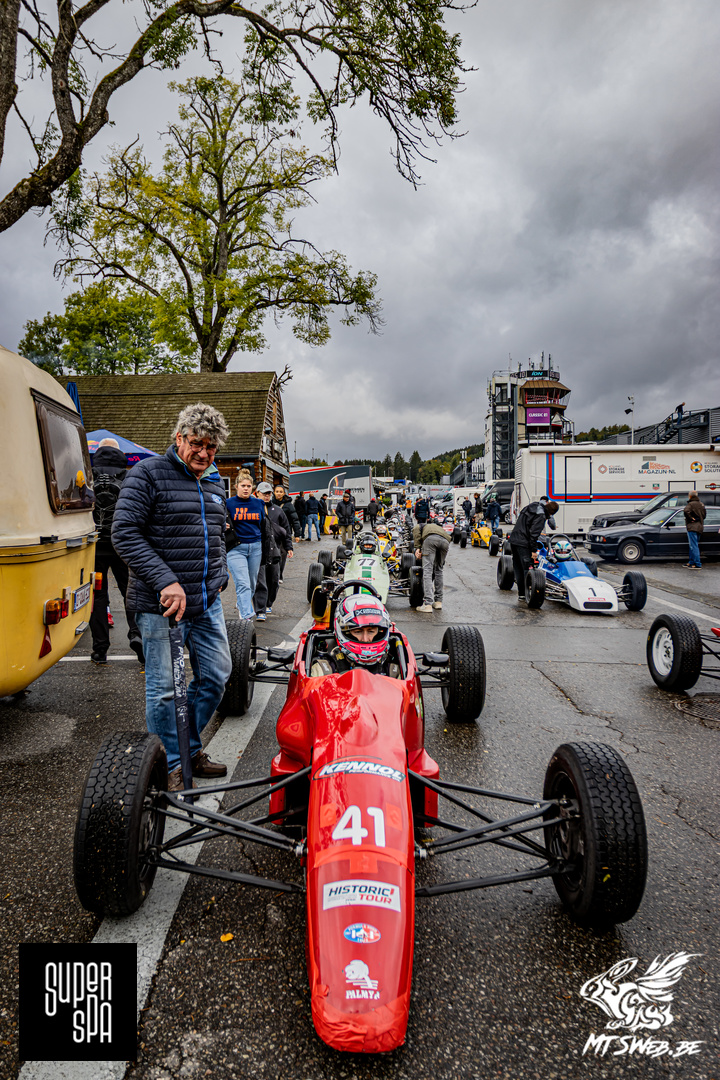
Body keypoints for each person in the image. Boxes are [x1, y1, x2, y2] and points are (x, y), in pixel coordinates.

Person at [112, 402, 233, 792]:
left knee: (216, 676)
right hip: (160, 605)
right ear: (179, 438)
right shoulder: (148, 474)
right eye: (197, 443)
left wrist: (220, 574)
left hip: (205, 602)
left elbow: (217, 536)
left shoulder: (213, 483)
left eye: (211, 446)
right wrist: (166, 581)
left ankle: (186, 749)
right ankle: (172, 765)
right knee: (165, 690)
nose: (203, 452)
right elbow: (124, 533)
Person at [88, 438, 144, 666]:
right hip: (122, 544)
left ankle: (100, 649)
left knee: (98, 596)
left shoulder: (88, 475)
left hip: (95, 546)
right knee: (130, 591)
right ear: (119, 453)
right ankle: (137, 635)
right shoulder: (129, 476)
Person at [310, 594, 393, 676]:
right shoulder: (325, 669)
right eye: (358, 632)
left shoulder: (392, 667)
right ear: (345, 631)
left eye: (371, 631)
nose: (365, 639)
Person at [226, 469, 268, 619]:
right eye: (243, 486)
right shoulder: (228, 504)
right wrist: (223, 525)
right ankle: (246, 616)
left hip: (255, 547)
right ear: (236, 486)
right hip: (235, 548)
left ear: (252, 488)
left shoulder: (259, 503)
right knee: (242, 583)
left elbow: (264, 525)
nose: (245, 489)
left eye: (249, 486)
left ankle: (242, 604)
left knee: (251, 583)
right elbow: (217, 520)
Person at [254, 481, 293, 619]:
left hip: (275, 548)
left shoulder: (277, 510)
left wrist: (289, 547)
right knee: (260, 580)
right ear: (257, 493)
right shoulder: (252, 508)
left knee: (274, 578)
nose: (267, 496)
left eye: (269, 493)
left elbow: (287, 530)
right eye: (264, 493)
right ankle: (260, 608)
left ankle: (269, 602)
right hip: (257, 548)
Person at [507, 499, 559, 601]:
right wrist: (534, 551)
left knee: (518, 568)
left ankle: (522, 594)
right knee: (527, 569)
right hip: (523, 543)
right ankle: (528, 594)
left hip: (514, 540)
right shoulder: (541, 515)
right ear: (551, 513)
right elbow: (534, 534)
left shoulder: (531, 507)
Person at [413, 518, 450, 612]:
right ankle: (438, 602)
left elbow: (416, 533)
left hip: (430, 540)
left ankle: (427, 604)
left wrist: (418, 548)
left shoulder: (419, 526)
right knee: (439, 570)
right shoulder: (436, 527)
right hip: (445, 541)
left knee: (427, 571)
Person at [273, 484, 300, 580]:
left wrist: (297, 534)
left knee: (282, 553)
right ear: (274, 492)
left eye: (281, 492)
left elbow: (295, 520)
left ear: (284, 493)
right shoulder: (270, 503)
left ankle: (279, 574)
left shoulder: (288, 505)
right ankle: (273, 574)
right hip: (272, 533)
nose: (279, 493)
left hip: (284, 533)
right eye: (277, 491)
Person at [683, 490, 706, 569]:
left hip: (692, 527)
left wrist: (691, 518)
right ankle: (691, 562)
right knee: (693, 545)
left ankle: (697, 563)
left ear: (690, 496)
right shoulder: (701, 504)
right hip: (700, 526)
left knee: (693, 546)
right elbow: (704, 515)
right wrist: (698, 518)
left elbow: (686, 511)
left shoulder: (691, 504)